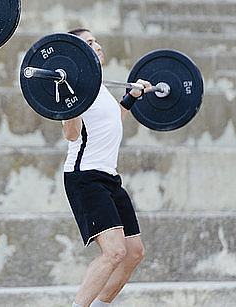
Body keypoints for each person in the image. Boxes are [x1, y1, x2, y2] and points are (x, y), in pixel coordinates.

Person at [62, 28, 148, 307]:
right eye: (89, 43)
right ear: (78, 53)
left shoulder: (98, 87)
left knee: (134, 252)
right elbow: (71, 134)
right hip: (85, 177)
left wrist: (131, 97)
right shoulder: (75, 88)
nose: (97, 45)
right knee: (113, 251)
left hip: (109, 177)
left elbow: (110, 122)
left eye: (96, 41)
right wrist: (71, 105)